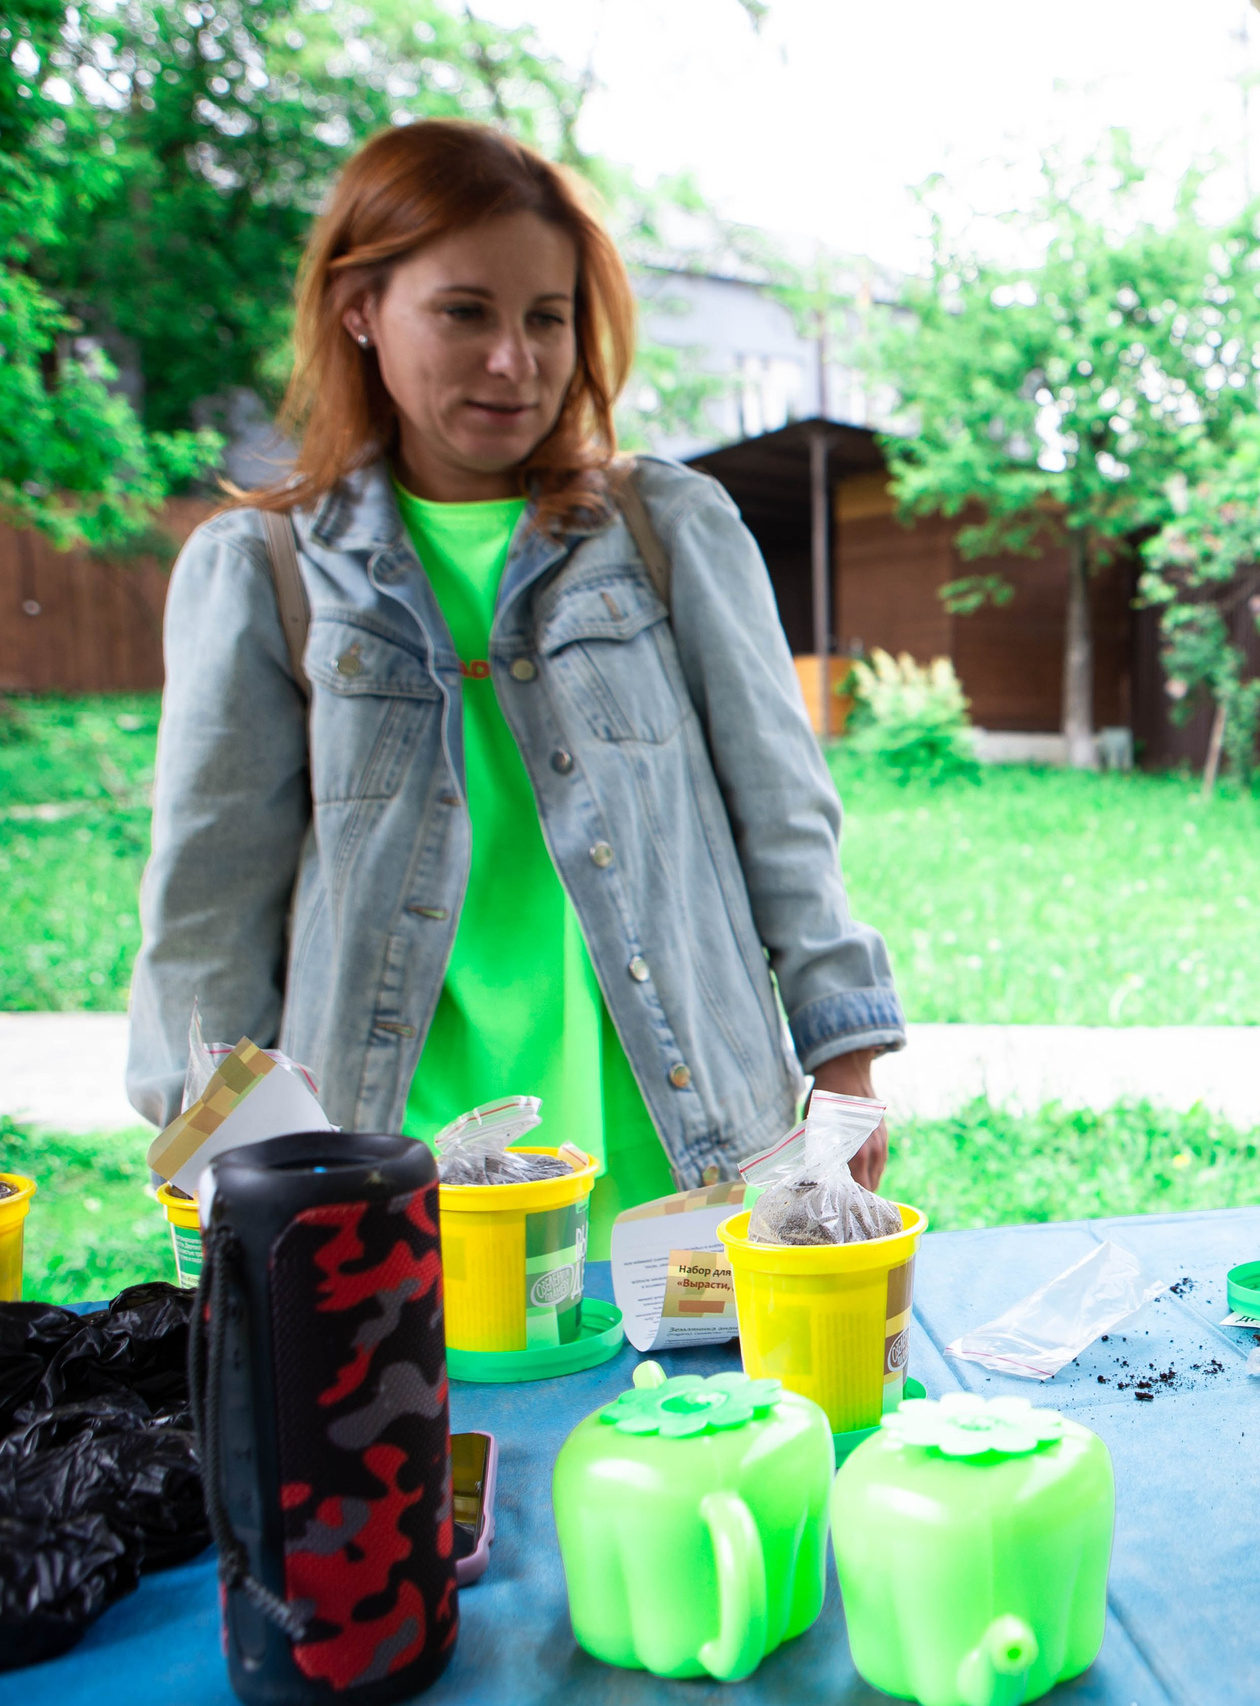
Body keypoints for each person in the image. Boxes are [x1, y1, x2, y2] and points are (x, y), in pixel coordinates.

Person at [127, 120, 903, 1242]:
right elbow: (206, 907)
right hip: (385, 1168)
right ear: (360, 309)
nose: (515, 359)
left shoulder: (669, 528)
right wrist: (214, 1154)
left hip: (679, 1146)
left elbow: (784, 818)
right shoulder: (261, 570)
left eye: (548, 318)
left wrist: (847, 1060)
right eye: (465, 312)